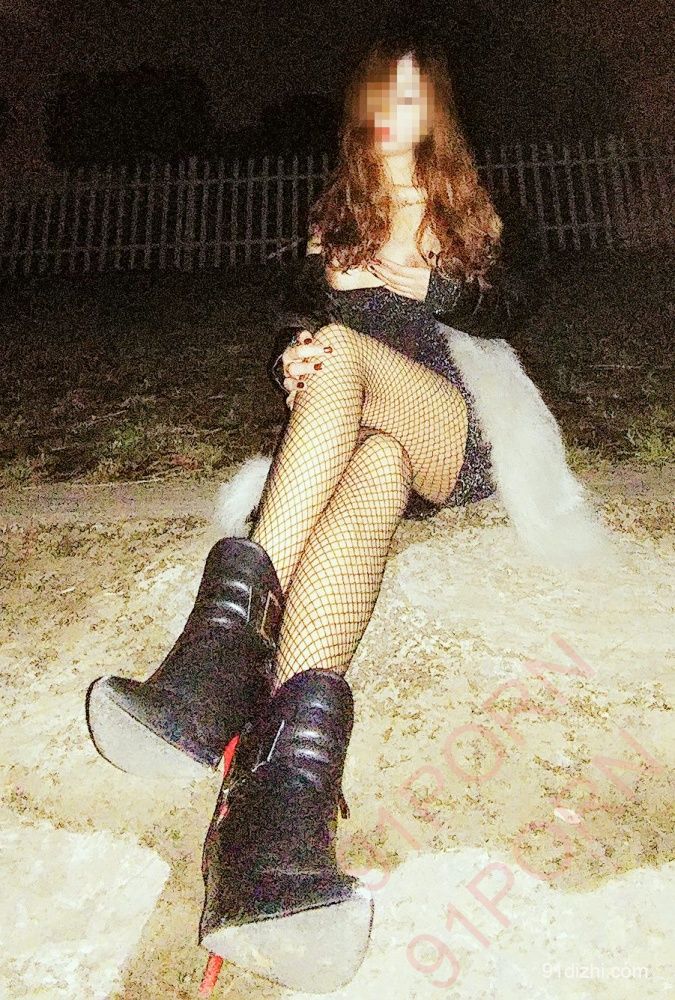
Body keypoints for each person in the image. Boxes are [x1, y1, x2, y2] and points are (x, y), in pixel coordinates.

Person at [83, 31, 604, 996]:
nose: (388, 116)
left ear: (435, 111)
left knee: (352, 356)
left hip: (458, 428)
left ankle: (217, 652)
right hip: (378, 445)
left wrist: (414, 282)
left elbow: (511, 306)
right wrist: (291, 359)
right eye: (376, 98)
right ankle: (278, 811)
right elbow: (296, 323)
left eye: (408, 98)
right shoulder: (334, 221)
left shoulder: (474, 209)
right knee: (364, 440)